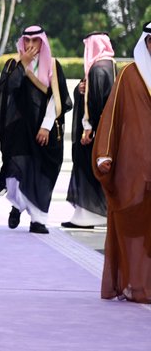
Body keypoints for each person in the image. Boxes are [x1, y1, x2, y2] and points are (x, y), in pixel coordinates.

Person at [0, 25, 72, 234]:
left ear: (42, 42)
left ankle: (38, 220)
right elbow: (7, 89)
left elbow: (57, 99)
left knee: (43, 173)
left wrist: (46, 127)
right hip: (20, 130)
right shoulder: (13, 64)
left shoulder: (53, 65)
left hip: (45, 130)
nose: (30, 45)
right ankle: (18, 205)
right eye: (26, 40)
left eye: (34, 40)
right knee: (19, 168)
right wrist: (23, 65)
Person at [93, 22, 151, 303]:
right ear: (147, 43)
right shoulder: (129, 74)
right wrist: (104, 153)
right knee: (133, 226)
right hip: (133, 167)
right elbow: (111, 116)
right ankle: (134, 284)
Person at [64, 32, 115, 229]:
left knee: (87, 168)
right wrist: (80, 90)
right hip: (105, 131)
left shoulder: (97, 69)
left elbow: (94, 104)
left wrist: (88, 128)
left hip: (94, 133)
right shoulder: (111, 66)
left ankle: (88, 216)